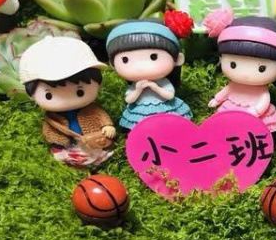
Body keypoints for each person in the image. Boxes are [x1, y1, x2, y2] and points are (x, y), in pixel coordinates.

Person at [19, 36, 116, 168]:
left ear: (99, 83)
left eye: (80, 92)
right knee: (66, 158)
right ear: (30, 94)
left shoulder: (92, 110)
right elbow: (49, 131)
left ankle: (96, 162)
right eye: (49, 95)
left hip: (95, 144)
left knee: (100, 155)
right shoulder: (52, 118)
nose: (67, 100)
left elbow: (101, 116)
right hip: (68, 148)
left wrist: (107, 126)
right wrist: (55, 141)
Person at [205, 10, 276, 133]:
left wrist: (256, 111)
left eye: (262, 68)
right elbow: (227, 90)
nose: (245, 74)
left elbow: (264, 100)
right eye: (233, 65)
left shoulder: (262, 91)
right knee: (227, 128)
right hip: (231, 108)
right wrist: (217, 99)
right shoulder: (234, 85)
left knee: (253, 132)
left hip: (253, 114)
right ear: (221, 59)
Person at [106, 18, 192, 131]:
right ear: (113, 65)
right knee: (143, 129)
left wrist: (156, 88)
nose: (140, 67)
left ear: (178, 59)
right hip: (140, 111)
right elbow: (129, 100)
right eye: (125, 60)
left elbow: (170, 96)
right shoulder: (136, 85)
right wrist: (138, 90)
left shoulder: (162, 82)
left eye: (153, 57)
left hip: (164, 107)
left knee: (168, 127)